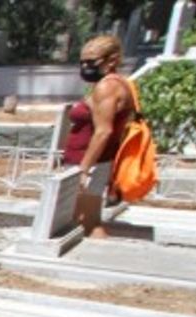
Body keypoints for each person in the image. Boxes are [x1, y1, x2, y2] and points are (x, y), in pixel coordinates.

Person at [62, 34, 132, 239]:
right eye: (82, 62)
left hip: (89, 161)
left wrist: (84, 169)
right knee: (83, 220)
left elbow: (103, 131)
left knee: (88, 222)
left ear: (111, 60)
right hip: (95, 160)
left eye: (91, 62)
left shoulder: (107, 86)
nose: (85, 67)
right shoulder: (115, 84)